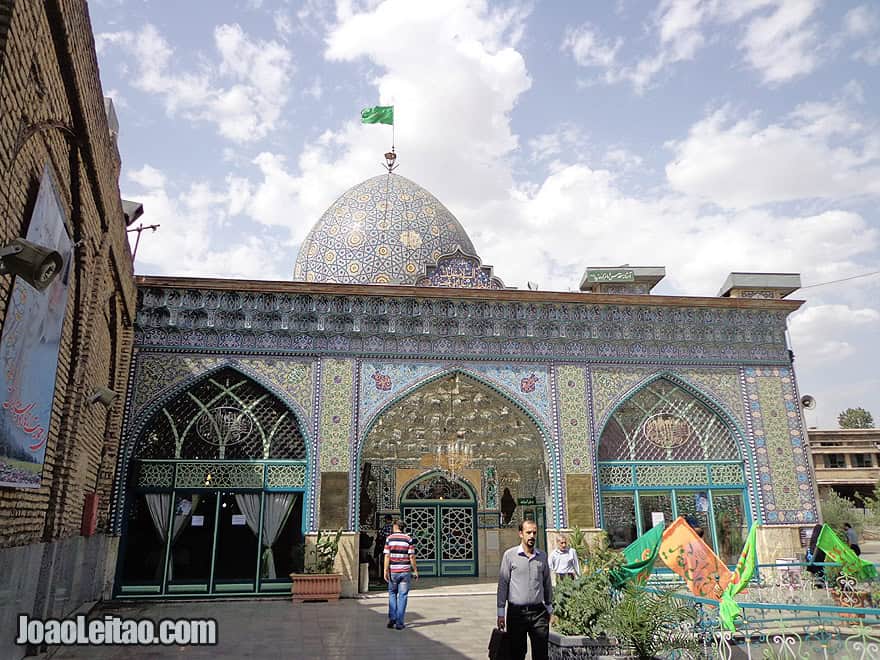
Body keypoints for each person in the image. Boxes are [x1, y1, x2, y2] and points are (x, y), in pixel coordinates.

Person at [497, 519, 552, 660]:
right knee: (517, 653)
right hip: (516, 613)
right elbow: (503, 583)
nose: (532, 536)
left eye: (534, 532)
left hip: (538, 612)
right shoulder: (510, 555)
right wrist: (500, 612)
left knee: (541, 653)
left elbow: (547, 582)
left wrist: (549, 607)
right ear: (521, 534)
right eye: (528, 532)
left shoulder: (542, 556)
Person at [384, 519, 418, 630]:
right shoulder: (408, 539)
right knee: (403, 596)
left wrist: (385, 570)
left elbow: (387, 556)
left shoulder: (389, 539)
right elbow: (411, 556)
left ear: (395, 526)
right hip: (405, 571)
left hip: (393, 571)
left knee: (392, 593)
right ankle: (399, 622)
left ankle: (392, 617)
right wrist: (415, 570)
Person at [374, 514, 393, 579]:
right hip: (393, 548)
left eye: (385, 519)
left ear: (387, 520)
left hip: (385, 547)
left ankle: (383, 578)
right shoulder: (393, 527)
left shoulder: (385, 527)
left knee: (383, 562)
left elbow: (380, 536)